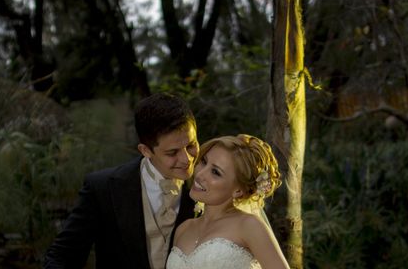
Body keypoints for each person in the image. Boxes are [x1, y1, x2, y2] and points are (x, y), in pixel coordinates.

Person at [44, 92, 199, 269]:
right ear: (146, 151)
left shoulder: (213, 186)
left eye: (191, 145)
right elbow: (61, 257)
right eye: (172, 153)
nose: (187, 159)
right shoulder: (102, 189)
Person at [166, 134, 290, 269]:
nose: (200, 174)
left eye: (215, 172)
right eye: (204, 161)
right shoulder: (183, 229)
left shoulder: (249, 226)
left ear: (238, 191)